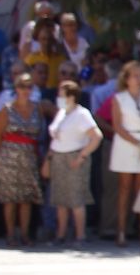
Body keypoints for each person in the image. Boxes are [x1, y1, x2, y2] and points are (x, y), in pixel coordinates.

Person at [0, 69, 47, 245]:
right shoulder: (6, 110)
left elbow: (41, 132)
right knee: (10, 198)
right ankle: (10, 233)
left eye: (29, 86)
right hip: (9, 156)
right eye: (22, 86)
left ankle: (24, 234)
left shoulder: (37, 109)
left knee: (27, 198)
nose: (25, 90)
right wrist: (10, 149)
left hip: (30, 155)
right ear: (16, 88)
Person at [43, 79, 102, 242]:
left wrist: (82, 156)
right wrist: (48, 159)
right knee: (60, 199)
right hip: (58, 158)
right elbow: (55, 138)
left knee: (76, 199)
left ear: (71, 96)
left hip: (75, 159)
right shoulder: (62, 113)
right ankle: (61, 235)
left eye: (62, 94)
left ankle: (80, 235)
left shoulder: (82, 114)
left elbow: (96, 136)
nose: (59, 97)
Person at [107, 61, 140, 246]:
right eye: (135, 76)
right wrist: (138, 143)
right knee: (124, 188)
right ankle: (121, 231)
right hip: (127, 144)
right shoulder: (119, 99)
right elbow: (117, 126)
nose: (139, 79)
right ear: (126, 79)